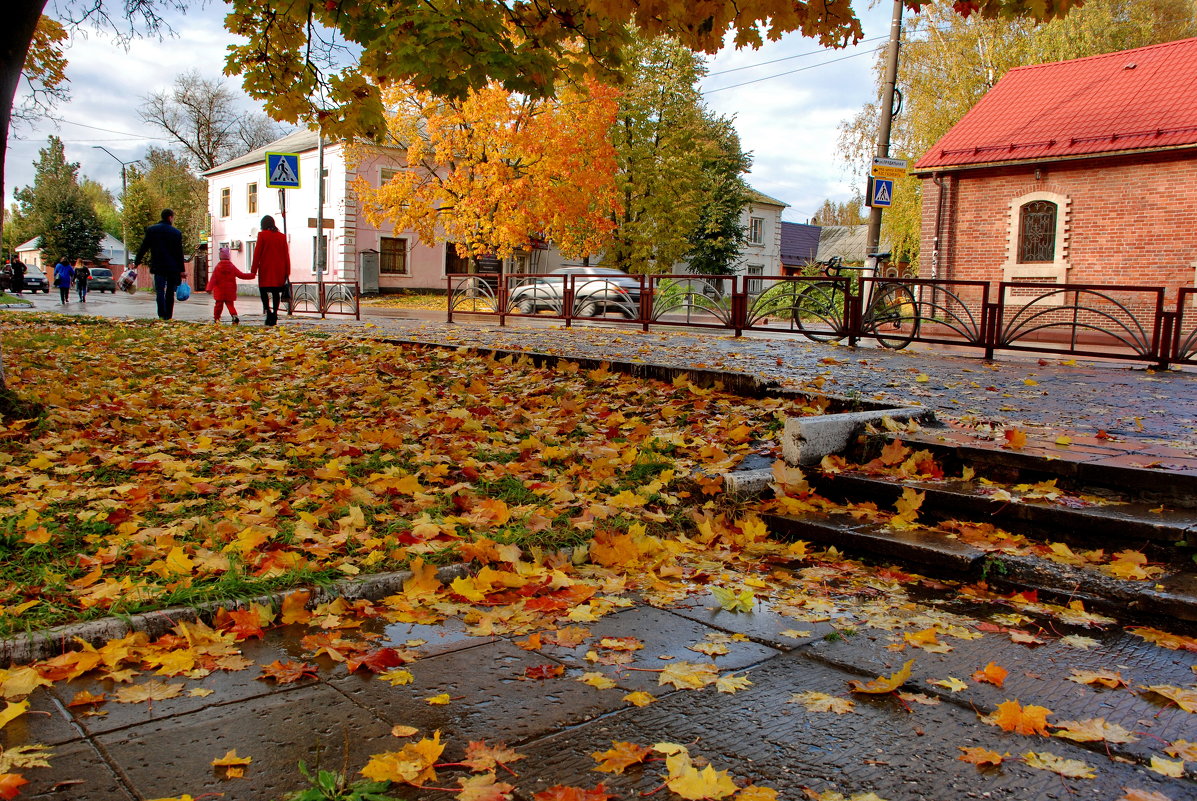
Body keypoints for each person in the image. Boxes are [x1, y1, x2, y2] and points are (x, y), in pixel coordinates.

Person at [134, 208, 186, 320]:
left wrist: (137, 261)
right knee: (170, 292)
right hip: (172, 267)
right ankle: (168, 315)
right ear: (170, 217)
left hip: (158, 266)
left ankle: (161, 314)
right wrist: (182, 270)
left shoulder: (152, 230)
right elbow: (179, 253)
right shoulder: (176, 233)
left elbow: (144, 247)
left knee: (159, 291)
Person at [250, 214, 291, 326]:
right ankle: (275, 313)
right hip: (279, 270)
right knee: (276, 292)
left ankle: (268, 312)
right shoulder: (282, 237)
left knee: (263, 291)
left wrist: (253, 270)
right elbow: (286, 255)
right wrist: (287, 272)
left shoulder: (262, 235)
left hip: (265, 269)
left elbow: (257, 254)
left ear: (263, 225)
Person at [208, 245, 253, 324]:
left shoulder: (218, 267)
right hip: (230, 290)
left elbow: (213, 279)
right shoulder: (232, 266)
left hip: (220, 290)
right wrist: (252, 275)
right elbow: (241, 275)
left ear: (220, 257)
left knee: (218, 306)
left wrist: (209, 288)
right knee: (230, 305)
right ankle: (234, 315)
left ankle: (217, 318)